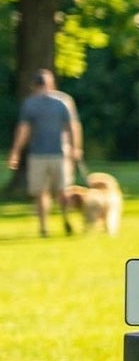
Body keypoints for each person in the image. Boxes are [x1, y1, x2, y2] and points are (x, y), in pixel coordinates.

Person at [7, 69, 81, 237]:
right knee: (41, 191)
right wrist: (16, 152)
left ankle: (64, 217)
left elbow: (72, 126)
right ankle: (44, 226)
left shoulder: (63, 102)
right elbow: (24, 129)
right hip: (38, 153)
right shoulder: (31, 104)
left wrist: (76, 147)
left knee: (61, 190)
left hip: (59, 153)